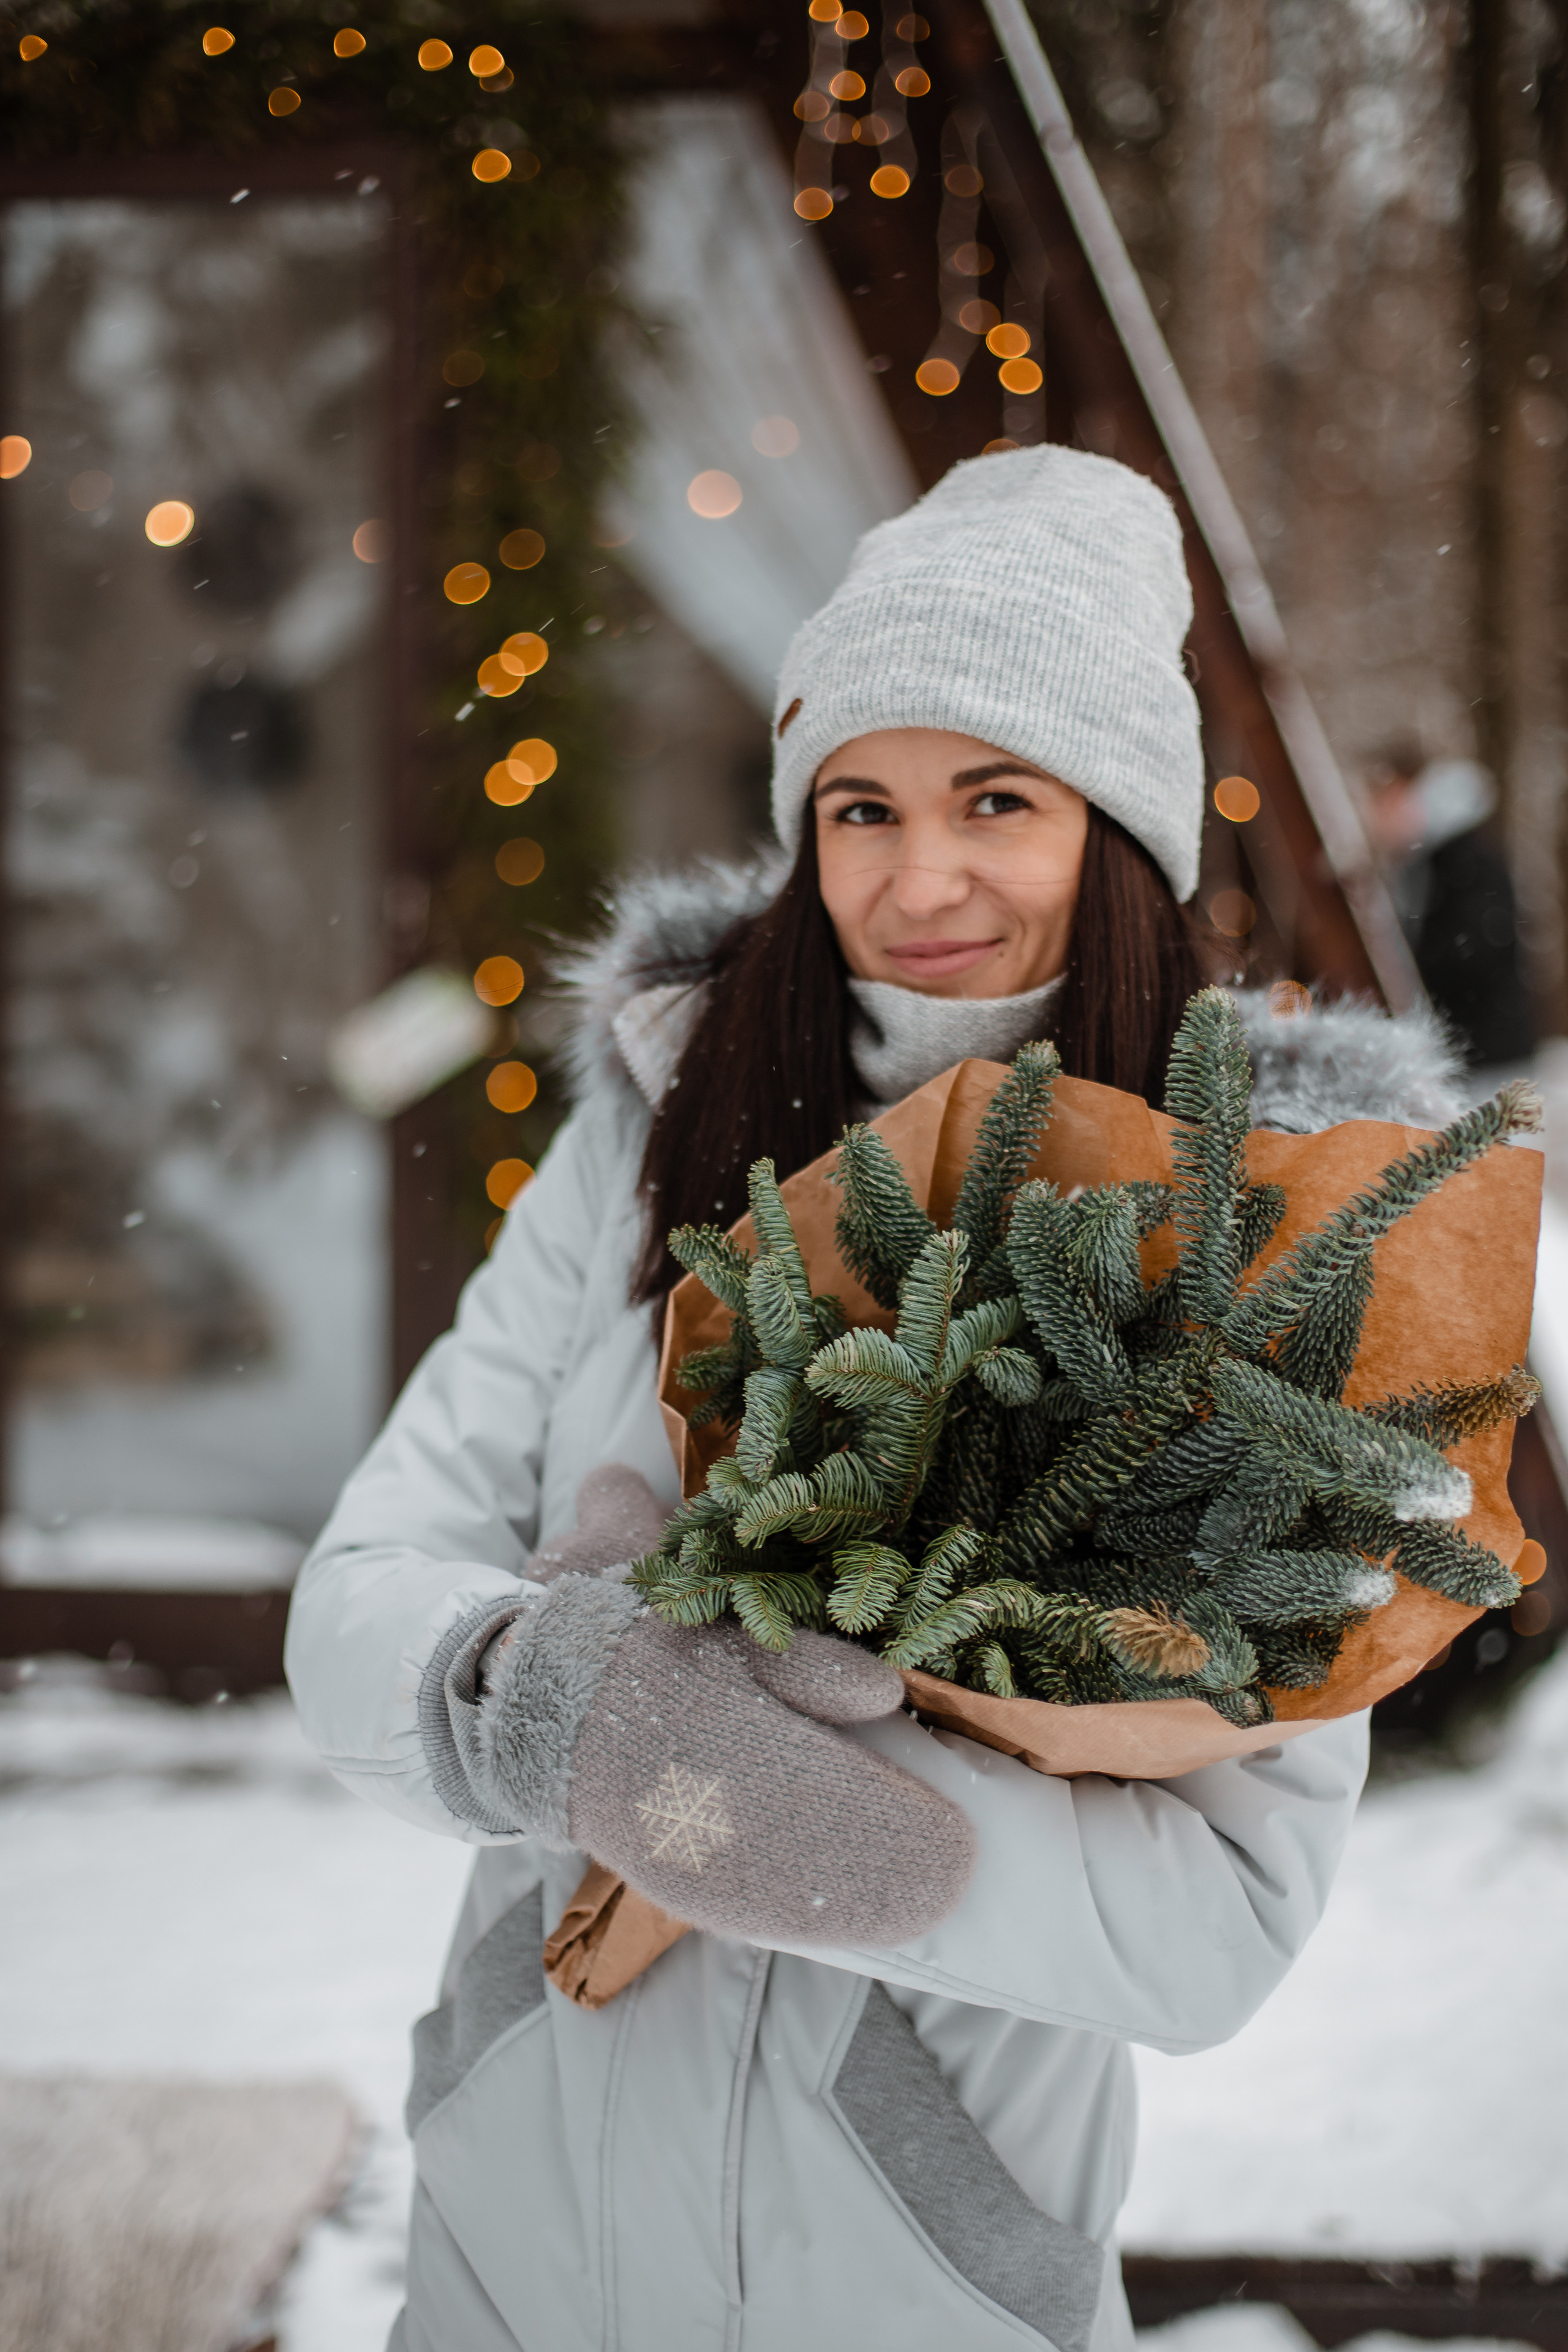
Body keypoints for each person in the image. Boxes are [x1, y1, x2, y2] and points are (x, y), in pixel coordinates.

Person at [287, 447, 1465, 2352]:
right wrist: (551, 1705)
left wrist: (768, 1805)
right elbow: (355, 1593)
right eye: (861, 805)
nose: (919, 878)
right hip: (516, 2247)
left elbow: (1215, 1921)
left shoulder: (1272, 1233)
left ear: (1118, 824)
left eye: (995, 797)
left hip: (920, 2281)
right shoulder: (650, 1147)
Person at [1363, 744, 1535, 1071]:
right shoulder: (1433, 862)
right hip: (1472, 1051)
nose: (1378, 818)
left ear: (1417, 799)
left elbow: (1472, 953)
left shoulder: (1464, 861)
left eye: (1387, 804)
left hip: (1486, 1060)